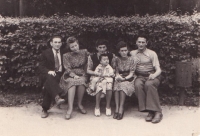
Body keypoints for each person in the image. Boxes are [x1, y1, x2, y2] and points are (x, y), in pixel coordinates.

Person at [130, 34, 163, 123]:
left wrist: (154, 75)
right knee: (137, 85)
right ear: (136, 43)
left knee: (149, 84)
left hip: (152, 75)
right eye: (139, 42)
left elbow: (158, 69)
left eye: (143, 42)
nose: (141, 44)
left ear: (146, 43)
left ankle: (158, 112)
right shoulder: (132, 53)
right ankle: (150, 111)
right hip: (140, 76)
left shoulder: (152, 53)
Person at [59, 36, 89, 120]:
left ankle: (79, 104)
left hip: (82, 73)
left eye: (76, 45)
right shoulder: (66, 55)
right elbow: (67, 68)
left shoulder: (85, 52)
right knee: (72, 83)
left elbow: (91, 60)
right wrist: (73, 75)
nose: (75, 48)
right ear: (69, 47)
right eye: (72, 47)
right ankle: (70, 108)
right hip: (69, 74)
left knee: (82, 81)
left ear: (78, 44)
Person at [39, 35, 66, 118]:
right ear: (51, 43)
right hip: (49, 74)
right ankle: (57, 97)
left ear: (61, 44)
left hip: (61, 74)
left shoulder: (64, 52)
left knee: (49, 84)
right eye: (55, 42)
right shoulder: (45, 53)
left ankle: (45, 109)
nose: (57, 44)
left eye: (59, 42)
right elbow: (41, 67)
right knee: (49, 79)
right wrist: (49, 71)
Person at [87, 39, 114, 117]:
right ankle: (97, 107)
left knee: (109, 85)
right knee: (99, 85)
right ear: (96, 48)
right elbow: (88, 70)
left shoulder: (111, 55)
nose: (102, 49)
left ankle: (108, 107)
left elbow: (115, 68)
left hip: (107, 76)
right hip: (96, 76)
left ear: (106, 47)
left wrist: (108, 74)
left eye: (104, 47)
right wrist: (97, 73)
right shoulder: (92, 56)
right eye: (100, 47)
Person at [113, 41, 136, 120]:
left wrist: (124, 79)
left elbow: (132, 73)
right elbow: (116, 71)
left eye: (125, 50)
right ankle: (116, 107)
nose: (124, 52)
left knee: (123, 85)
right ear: (119, 51)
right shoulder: (116, 59)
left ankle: (121, 108)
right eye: (122, 51)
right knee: (116, 85)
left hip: (129, 78)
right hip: (120, 77)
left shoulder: (131, 59)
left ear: (128, 50)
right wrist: (118, 77)